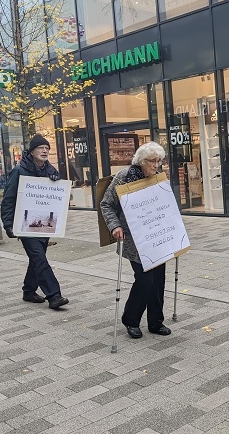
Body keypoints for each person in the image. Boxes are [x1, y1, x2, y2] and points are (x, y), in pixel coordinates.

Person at [100, 141, 172, 339]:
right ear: (141, 161)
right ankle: (131, 320)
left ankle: (156, 321)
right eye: (152, 161)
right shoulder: (124, 178)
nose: (156, 165)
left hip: (157, 236)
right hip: (134, 239)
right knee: (144, 279)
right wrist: (115, 226)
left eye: (158, 161)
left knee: (158, 279)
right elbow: (106, 204)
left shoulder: (158, 178)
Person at [0, 134, 69, 309]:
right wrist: (8, 224)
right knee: (39, 257)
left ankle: (29, 291)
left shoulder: (51, 171)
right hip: (24, 224)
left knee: (37, 258)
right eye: (41, 148)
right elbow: (8, 198)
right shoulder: (19, 170)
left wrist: (56, 180)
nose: (45, 150)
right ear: (32, 151)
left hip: (45, 223)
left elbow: (56, 196)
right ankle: (54, 295)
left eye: (47, 148)